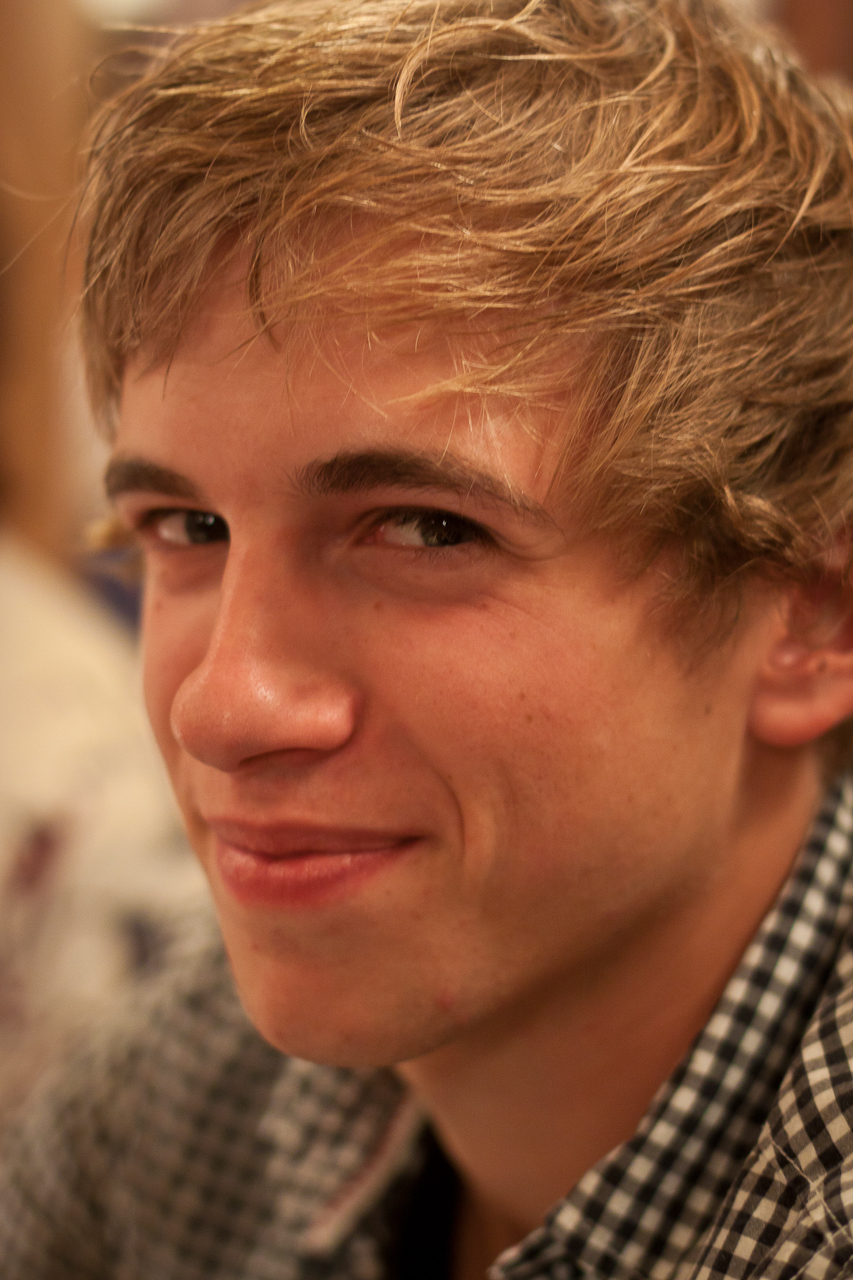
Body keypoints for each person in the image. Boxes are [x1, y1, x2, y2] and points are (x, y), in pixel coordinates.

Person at [5, 0, 853, 1275]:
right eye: (186, 525)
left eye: (424, 529)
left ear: (812, 616)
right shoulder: (190, 1099)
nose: (220, 708)